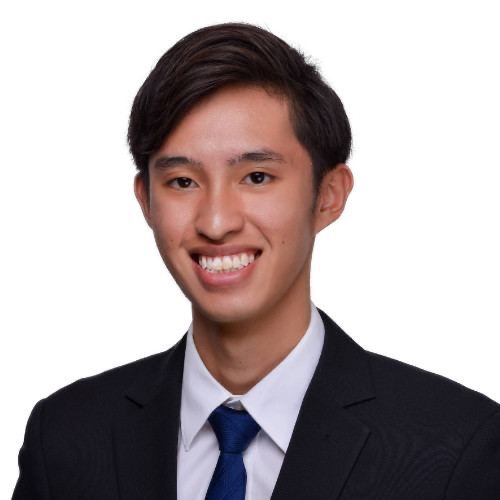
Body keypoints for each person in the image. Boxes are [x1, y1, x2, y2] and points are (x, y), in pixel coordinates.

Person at [13, 22, 500, 500]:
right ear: (146, 201)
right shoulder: (65, 438)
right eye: (182, 182)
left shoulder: (457, 447)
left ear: (329, 195)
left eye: (257, 177)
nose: (216, 222)